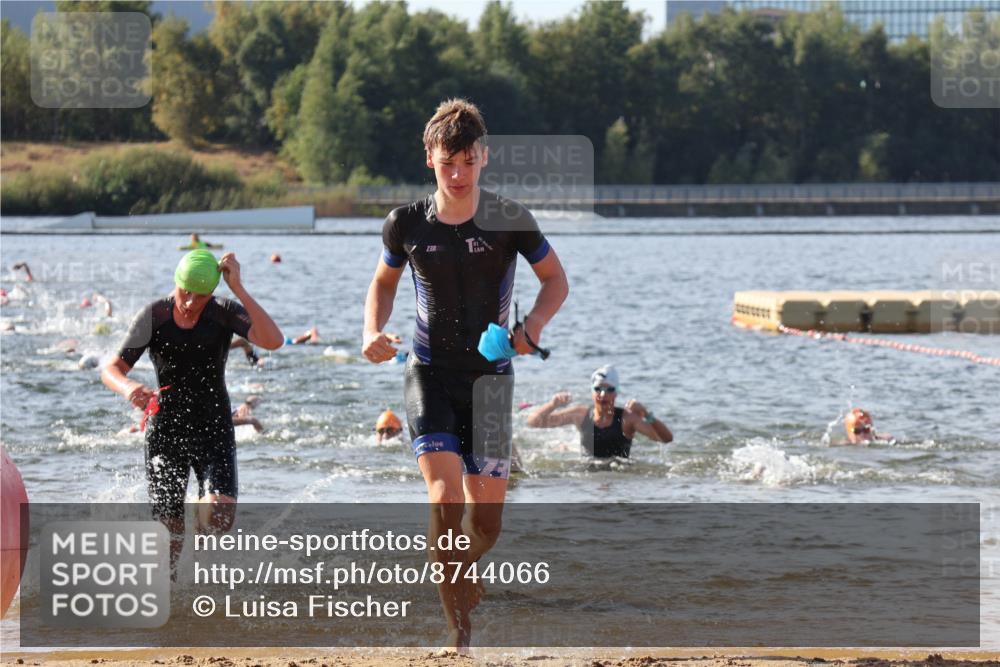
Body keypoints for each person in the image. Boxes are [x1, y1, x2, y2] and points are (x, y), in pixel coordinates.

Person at [361, 99, 568, 652]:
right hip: (428, 373)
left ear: (484, 158)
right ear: (429, 158)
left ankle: (457, 570)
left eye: (468, 162)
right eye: (448, 162)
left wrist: (535, 326)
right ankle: (459, 632)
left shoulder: (510, 218)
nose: (458, 174)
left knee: (487, 525)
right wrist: (370, 332)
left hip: (492, 382)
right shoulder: (404, 222)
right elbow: (382, 285)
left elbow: (555, 281)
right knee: (444, 497)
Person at [101, 250, 282, 569]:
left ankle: (193, 565)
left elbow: (273, 340)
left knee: (218, 518)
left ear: (212, 293)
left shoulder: (223, 311)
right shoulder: (154, 316)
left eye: (199, 296)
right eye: (185, 291)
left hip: (213, 425)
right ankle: (169, 588)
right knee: (167, 532)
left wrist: (238, 288)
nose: (189, 301)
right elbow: (112, 369)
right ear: (176, 282)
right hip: (166, 430)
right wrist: (129, 388)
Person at [526, 365, 673, 459]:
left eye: (609, 390)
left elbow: (665, 439)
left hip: (619, 474)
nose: (603, 395)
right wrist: (553, 404)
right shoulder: (581, 415)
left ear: (616, 393)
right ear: (592, 392)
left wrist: (646, 413)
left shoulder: (627, 419)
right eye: (598, 389)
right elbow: (533, 422)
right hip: (587, 472)